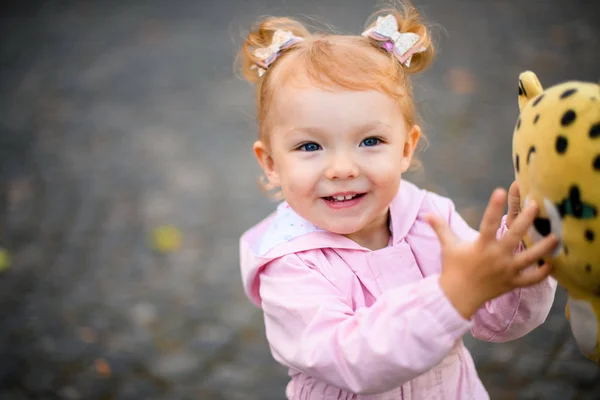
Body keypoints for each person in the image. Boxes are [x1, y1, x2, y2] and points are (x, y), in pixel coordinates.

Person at [237, 2, 558, 399]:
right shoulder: (287, 265)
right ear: (270, 163)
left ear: (406, 148)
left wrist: (522, 247)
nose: (342, 168)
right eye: (309, 145)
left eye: (370, 141)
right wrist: (451, 297)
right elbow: (350, 360)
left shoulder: (430, 218)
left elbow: (502, 320)